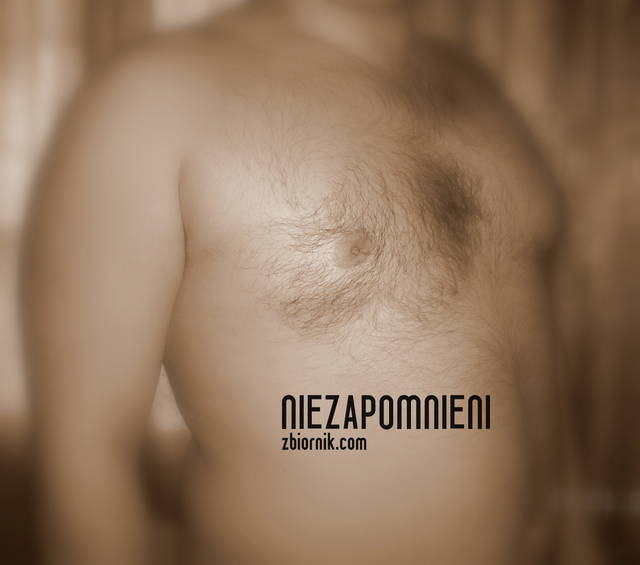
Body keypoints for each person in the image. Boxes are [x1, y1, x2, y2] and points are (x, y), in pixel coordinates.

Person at [22, 1, 566, 563]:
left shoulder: (483, 93)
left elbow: (531, 362)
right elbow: (86, 458)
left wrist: (573, 538)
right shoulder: (150, 99)